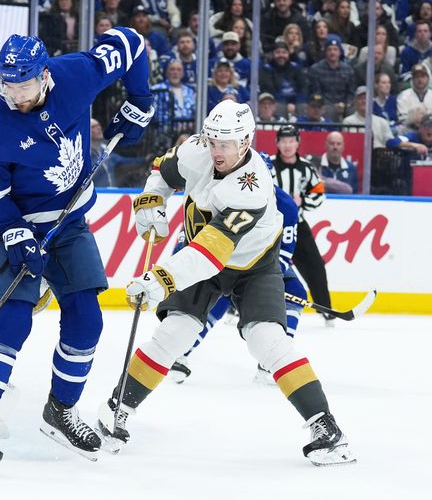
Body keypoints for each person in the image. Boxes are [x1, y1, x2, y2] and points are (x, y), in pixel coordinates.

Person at [95, 101, 355, 467]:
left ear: (246, 141)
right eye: (213, 140)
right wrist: (151, 201)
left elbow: (212, 252)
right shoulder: (198, 148)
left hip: (252, 263)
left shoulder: (251, 187)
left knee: (267, 339)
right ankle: (117, 410)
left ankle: (326, 427)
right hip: (200, 251)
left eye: (226, 143)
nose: (216, 149)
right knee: (175, 333)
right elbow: (162, 171)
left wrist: (161, 280)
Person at [0, 29, 154, 476]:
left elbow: (132, 42)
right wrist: (15, 234)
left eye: (23, 87)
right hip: (13, 225)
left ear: (45, 76)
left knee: (87, 319)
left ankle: (60, 410)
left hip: (68, 223)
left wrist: (140, 99)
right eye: (7, 86)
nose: (16, 97)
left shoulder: (76, 74)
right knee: (11, 321)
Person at [168, 184, 307, 385]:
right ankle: (180, 353)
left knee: (297, 293)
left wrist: (270, 279)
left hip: (266, 262)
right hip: (222, 260)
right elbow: (189, 235)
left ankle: (273, 361)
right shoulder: (219, 194)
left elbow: (285, 250)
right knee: (219, 299)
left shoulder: (285, 204)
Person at [270, 125, 335, 325]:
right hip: (270, 226)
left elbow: (318, 193)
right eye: (284, 141)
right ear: (277, 143)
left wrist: (303, 202)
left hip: (297, 225)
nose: (287, 145)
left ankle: (326, 310)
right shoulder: (268, 166)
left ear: (298, 143)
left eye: (291, 141)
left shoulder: (306, 167)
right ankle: (233, 308)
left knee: (315, 266)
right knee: (255, 266)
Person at [308, 35, 356, 121]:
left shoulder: (348, 70)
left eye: (335, 49)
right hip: (325, 104)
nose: (332, 52)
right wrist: (331, 106)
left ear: (340, 52)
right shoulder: (316, 69)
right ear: (325, 52)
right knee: (328, 110)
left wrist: (346, 104)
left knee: (352, 110)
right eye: (329, 49)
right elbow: (317, 92)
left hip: (344, 104)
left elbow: (351, 92)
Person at [259, 39, 307, 119]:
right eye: (278, 52)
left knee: (303, 106)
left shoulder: (296, 68)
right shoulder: (267, 69)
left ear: (288, 54)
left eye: (284, 52)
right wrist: (286, 104)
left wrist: (294, 103)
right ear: (273, 54)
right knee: (278, 107)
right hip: (277, 101)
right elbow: (269, 90)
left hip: (295, 102)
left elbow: (303, 88)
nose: (281, 55)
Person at [397, 64, 432, 132]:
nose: (420, 79)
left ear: (428, 78)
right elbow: (402, 119)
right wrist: (414, 118)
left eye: (423, 76)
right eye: (417, 77)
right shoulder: (403, 95)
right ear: (412, 79)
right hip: (410, 130)